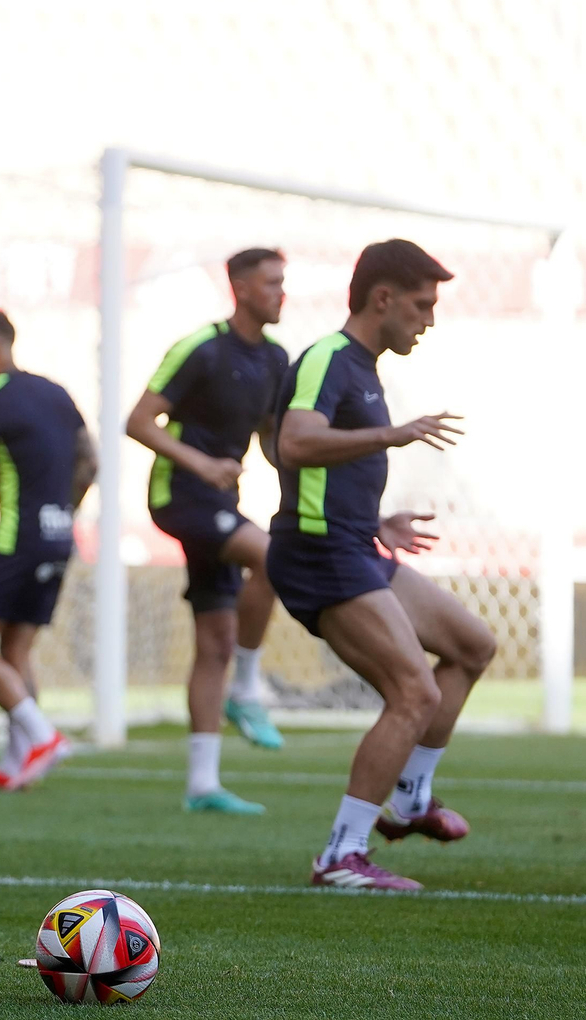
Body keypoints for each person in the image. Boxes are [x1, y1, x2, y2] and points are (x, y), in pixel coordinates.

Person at [269, 239, 492, 891]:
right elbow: (294, 442)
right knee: (413, 692)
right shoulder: (329, 358)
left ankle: (412, 801)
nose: (428, 320)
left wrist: (376, 522)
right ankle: (341, 854)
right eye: (421, 306)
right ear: (383, 298)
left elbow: (319, 454)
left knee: (473, 646)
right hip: (319, 556)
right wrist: (393, 434)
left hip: (353, 544)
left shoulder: (363, 368)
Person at [125, 248, 290, 816]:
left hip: (222, 500)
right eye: (271, 283)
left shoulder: (275, 359)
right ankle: (248, 688)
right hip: (181, 495)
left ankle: (202, 784)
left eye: (282, 282)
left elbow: (273, 442)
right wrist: (201, 464)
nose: (281, 292)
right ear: (241, 288)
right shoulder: (201, 348)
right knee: (274, 557)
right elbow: (138, 421)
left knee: (215, 642)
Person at [0, 310, 95, 791]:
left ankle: (43, 738)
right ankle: (16, 764)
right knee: (15, 650)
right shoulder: (58, 395)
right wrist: (62, 512)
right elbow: (89, 464)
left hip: (17, 540)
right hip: (58, 538)